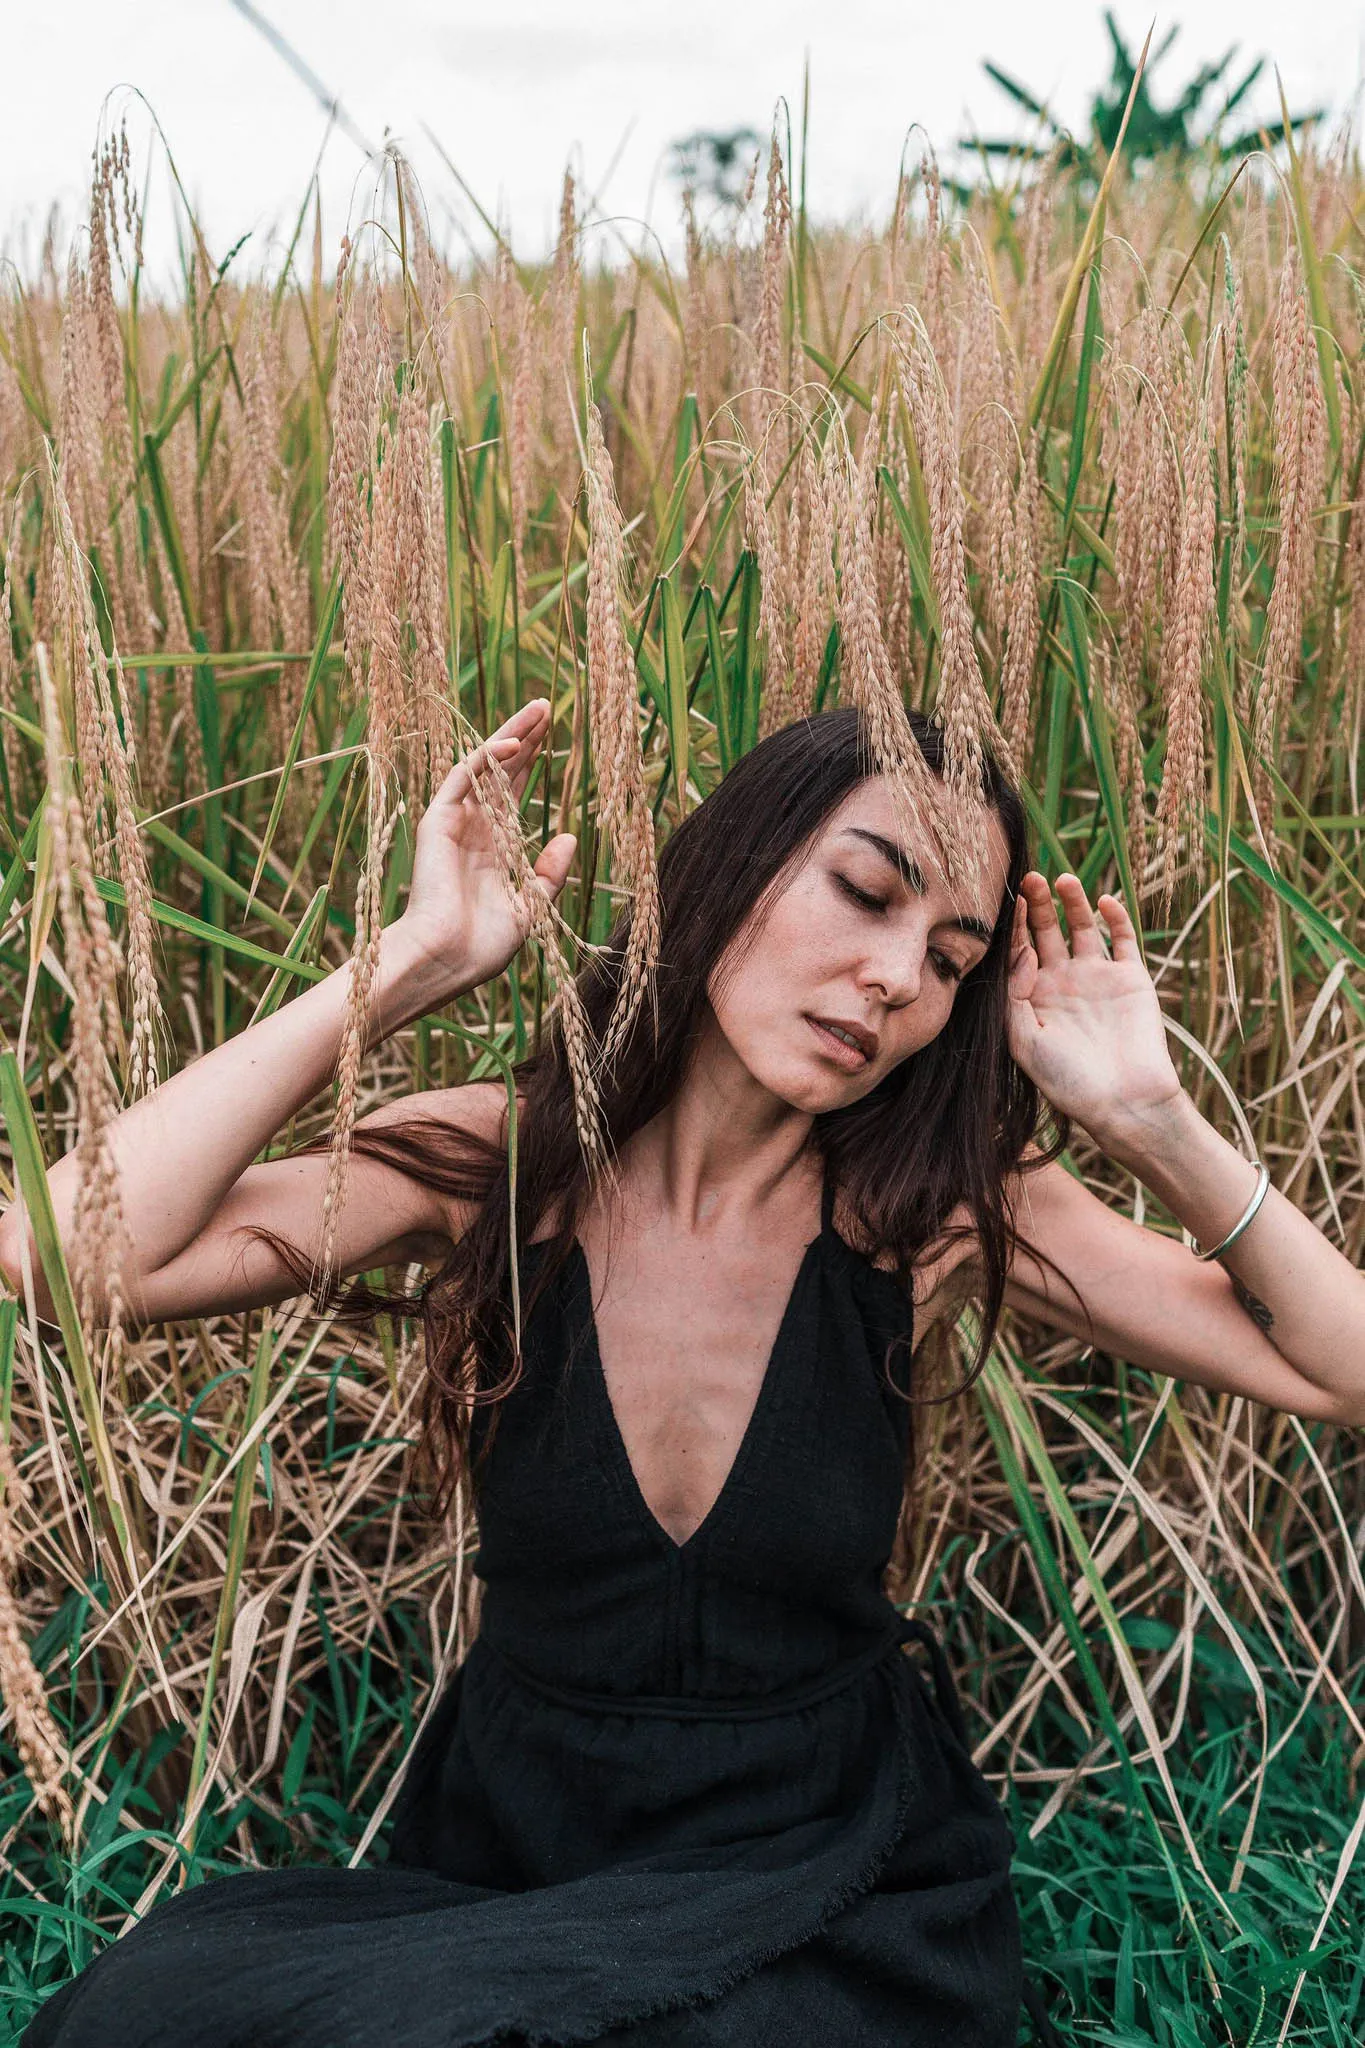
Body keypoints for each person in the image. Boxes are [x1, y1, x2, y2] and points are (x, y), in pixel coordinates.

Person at [9, 698, 1364, 2048]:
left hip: (821, 1869)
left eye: (952, 960)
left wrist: (1154, 1122)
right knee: (142, 2016)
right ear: (732, 865)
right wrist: (411, 961)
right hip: (525, 1841)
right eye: (866, 891)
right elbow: (62, 1260)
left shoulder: (929, 1215)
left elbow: (1340, 1371)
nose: (899, 978)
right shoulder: (499, 1166)